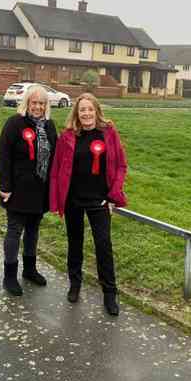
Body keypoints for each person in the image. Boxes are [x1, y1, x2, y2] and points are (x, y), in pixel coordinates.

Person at [50, 93, 127, 316]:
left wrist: (113, 194)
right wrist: (57, 200)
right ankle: (75, 284)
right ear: (77, 113)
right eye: (82, 110)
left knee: (104, 247)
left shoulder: (109, 133)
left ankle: (110, 294)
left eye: (90, 109)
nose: (86, 113)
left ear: (96, 111)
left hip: (99, 201)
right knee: (75, 243)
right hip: (74, 199)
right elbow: (57, 169)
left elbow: (121, 165)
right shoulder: (68, 136)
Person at [0, 84, 57, 296]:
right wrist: (5, 187)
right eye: (34, 103)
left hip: (40, 190)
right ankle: (9, 277)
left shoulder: (50, 126)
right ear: (27, 103)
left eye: (41, 103)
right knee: (15, 231)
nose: (37, 107)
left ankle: (30, 270)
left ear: (46, 105)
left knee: (33, 230)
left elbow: (55, 157)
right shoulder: (14, 124)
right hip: (17, 189)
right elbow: (3, 156)